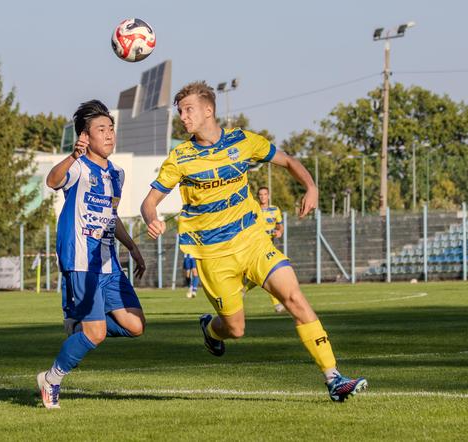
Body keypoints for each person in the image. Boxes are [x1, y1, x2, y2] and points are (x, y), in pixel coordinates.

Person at [140, 81, 367, 402]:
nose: (183, 117)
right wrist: (152, 217)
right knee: (235, 329)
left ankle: (333, 377)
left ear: (209, 110)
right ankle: (210, 329)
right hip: (213, 256)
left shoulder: (243, 141)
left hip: (253, 242)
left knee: (295, 298)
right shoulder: (181, 157)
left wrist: (311, 187)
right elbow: (149, 201)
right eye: (180, 112)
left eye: (188, 109)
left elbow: (288, 161)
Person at [37, 100, 147, 409]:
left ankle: (81, 327)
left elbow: (112, 215)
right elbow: (52, 181)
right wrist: (74, 154)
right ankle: (52, 379)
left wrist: (132, 246)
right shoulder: (79, 166)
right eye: (102, 129)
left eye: (111, 128)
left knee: (135, 326)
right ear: (85, 136)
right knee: (97, 333)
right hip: (81, 259)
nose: (110, 135)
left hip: (108, 262)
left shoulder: (116, 174)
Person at [256, 186, 286, 313]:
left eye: (265, 194)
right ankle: (277, 304)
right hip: (258, 246)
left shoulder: (275, 210)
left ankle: (243, 290)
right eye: (260, 194)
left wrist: (279, 232)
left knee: (263, 275)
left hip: (270, 245)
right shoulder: (254, 210)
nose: (263, 197)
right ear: (258, 196)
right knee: (268, 274)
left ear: (268, 196)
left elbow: (280, 227)